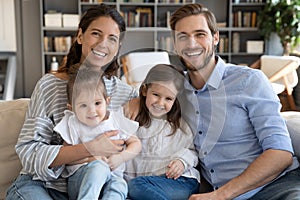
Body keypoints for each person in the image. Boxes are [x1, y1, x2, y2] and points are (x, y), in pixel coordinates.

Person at [6, 4, 138, 200]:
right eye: (96, 33)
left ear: (118, 47)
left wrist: (141, 99)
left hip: (93, 187)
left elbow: (166, 101)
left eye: (112, 38)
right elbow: (29, 151)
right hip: (43, 185)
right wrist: (90, 148)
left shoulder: (123, 92)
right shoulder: (49, 86)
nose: (103, 43)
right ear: (80, 36)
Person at [169, 3, 300, 200]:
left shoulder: (249, 81)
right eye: (183, 36)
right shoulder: (174, 92)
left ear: (215, 38)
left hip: (277, 187)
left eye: (200, 34)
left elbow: (280, 153)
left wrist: (220, 195)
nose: (191, 43)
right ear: (175, 44)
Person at [53, 66, 141, 199]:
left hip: (112, 176)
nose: (92, 111)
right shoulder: (73, 123)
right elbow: (67, 158)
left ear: (107, 101)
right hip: (82, 179)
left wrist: (121, 157)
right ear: (72, 108)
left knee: (120, 185)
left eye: (97, 103)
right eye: (83, 105)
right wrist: (92, 159)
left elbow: (136, 143)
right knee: (99, 167)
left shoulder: (116, 120)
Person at [125, 64, 200, 200]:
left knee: (135, 186)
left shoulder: (179, 125)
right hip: (146, 183)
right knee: (132, 187)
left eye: (168, 99)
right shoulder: (133, 118)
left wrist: (182, 161)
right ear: (144, 91)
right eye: (156, 95)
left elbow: (192, 152)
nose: (160, 102)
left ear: (175, 100)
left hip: (181, 181)